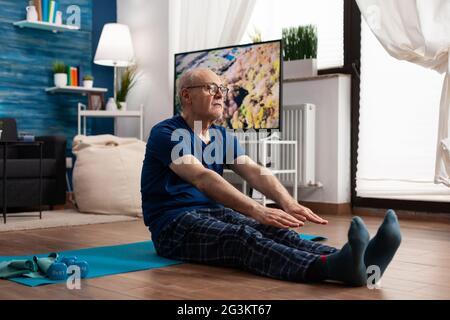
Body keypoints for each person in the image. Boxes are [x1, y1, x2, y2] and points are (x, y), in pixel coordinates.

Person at [140, 68, 401, 286]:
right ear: (186, 95)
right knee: (243, 237)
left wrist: (288, 202)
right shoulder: (167, 133)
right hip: (173, 225)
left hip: (213, 214)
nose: (221, 94)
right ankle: (330, 267)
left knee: (277, 231)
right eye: (211, 88)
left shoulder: (222, 137)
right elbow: (202, 177)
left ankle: (363, 262)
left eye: (223, 88)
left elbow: (255, 170)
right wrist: (256, 208)